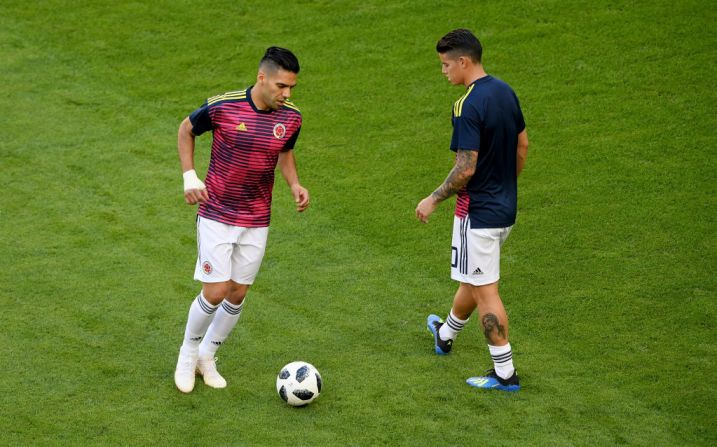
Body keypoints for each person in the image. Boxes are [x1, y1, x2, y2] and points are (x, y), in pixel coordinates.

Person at [174, 47, 309, 393]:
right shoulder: (223, 105)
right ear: (262, 77)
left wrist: (294, 184)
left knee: (237, 292)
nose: (287, 94)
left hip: (257, 217)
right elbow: (186, 129)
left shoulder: (291, 117)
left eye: (291, 87)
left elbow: (285, 152)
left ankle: (208, 355)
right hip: (217, 211)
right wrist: (190, 176)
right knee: (216, 290)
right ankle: (188, 353)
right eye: (281, 86)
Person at [416, 29, 529, 392]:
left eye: (446, 65)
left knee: (486, 291)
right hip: (504, 210)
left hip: (476, 214)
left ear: (464, 62)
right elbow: (522, 145)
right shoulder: (506, 91)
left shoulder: (467, 105)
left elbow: (465, 168)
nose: (444, 71)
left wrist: (432, 199)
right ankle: (445, 334)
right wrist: (505, 186)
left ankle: (505, 374)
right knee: (473, 277)